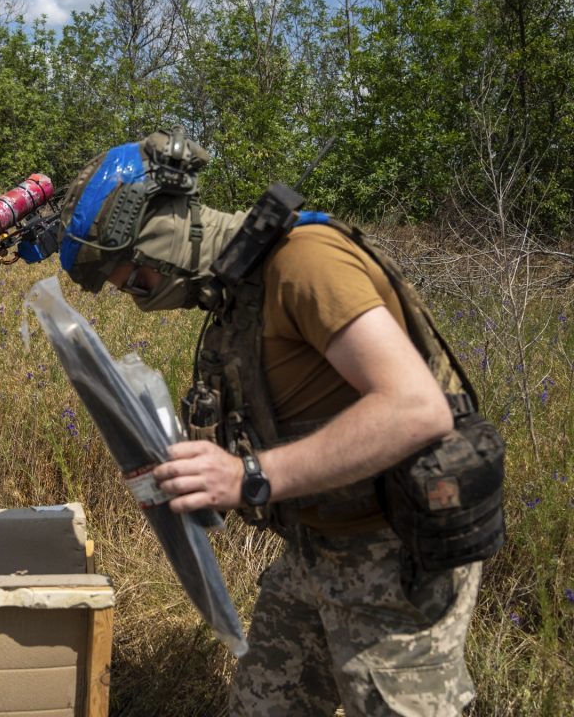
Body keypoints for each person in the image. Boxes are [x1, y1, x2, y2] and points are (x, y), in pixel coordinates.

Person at [56, 128, 503, 715]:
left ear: (162, 232)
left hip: (393, 556)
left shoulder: (305, 261)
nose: (142, 298)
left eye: (137, 279)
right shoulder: (239, 294)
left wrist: (250, 476)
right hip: (315, 545)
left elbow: (416, 408)